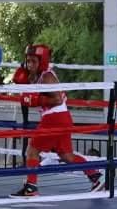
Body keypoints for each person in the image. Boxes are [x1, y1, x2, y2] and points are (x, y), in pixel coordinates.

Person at [12, 44, 101, 198]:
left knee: (32, 151)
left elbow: (57, 99)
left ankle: (31, 188)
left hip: (54, 117)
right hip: (61, 118)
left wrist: (36, 100)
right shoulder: (36, 76)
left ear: (42, 61)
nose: (30, 65)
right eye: (28, 61)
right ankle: (97, 178)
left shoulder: (47, 77)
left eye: (33, 61)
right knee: (67, 156)